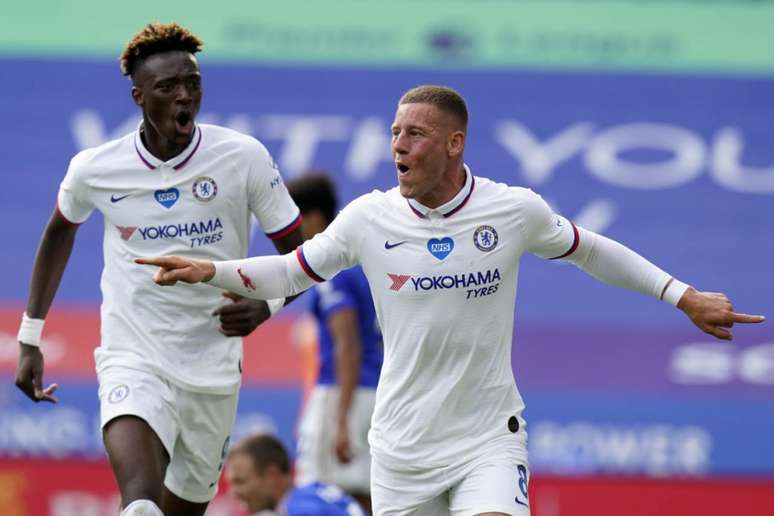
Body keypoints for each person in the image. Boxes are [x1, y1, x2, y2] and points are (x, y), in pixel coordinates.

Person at [137, 85, 765, 516]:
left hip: (487, 436)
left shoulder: (513, 210)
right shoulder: (367, 219)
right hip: (401, 447)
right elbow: (287, 272)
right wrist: (208, 269)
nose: (398, 146)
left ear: (455, 144)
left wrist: (683, 296)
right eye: (393, 133)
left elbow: (592, 250)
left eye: (414, 134)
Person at [14, 22, 304, 516]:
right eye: (168, 87)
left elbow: (299, 255)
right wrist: (29, 335)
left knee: (181, 508)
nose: (184, 96)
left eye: (192, 83)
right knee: (141, 504)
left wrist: (267, 303)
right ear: (138, 96)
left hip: (213, 362)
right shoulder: (96, 168)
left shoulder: (242, 157)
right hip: (135, 350)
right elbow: (60, 230)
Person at [287, 173, 382, 514]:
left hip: (345, 393)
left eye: (292, 220)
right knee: (364, 495)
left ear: (312, 218)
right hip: (375, 391)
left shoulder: (331, 268)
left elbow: (347, 344)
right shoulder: (360, 262)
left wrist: (340, 419)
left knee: (320, 491)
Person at [225, 433, 366, 516]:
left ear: (271, 476)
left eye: (240, 482)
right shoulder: (313, 493)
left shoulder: (299, 509)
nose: (234, 493)